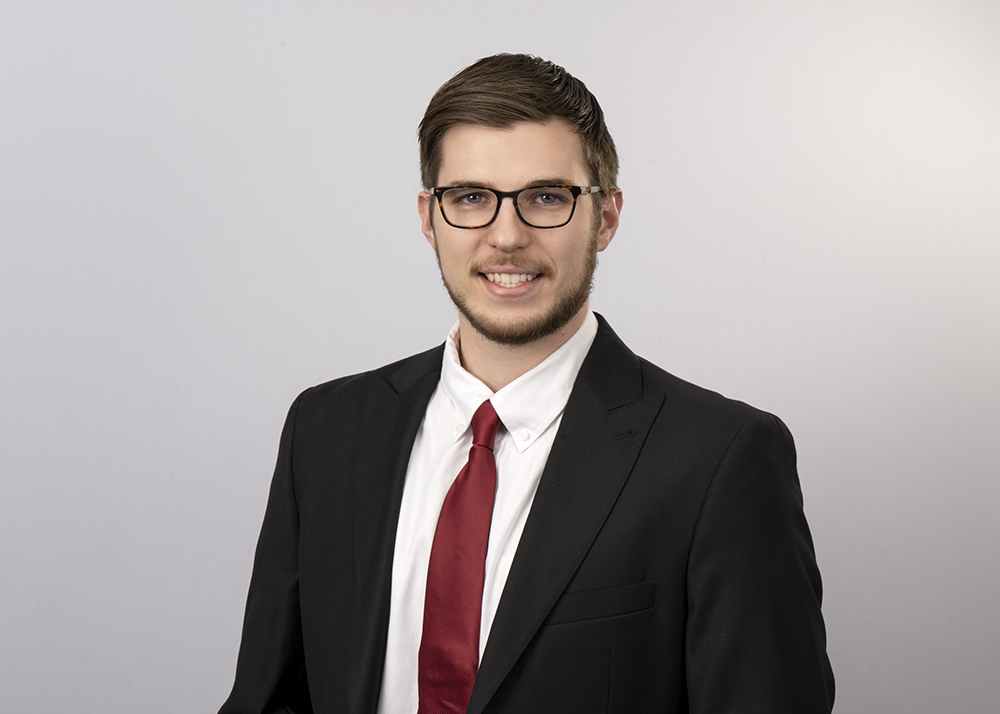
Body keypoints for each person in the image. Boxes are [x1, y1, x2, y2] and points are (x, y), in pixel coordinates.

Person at [219, 53, 834, 714]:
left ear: (607, 216)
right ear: (429, 217)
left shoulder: (719, 458)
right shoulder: (327, 431)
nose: (507, 236)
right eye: (471, 198)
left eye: (546, 197)